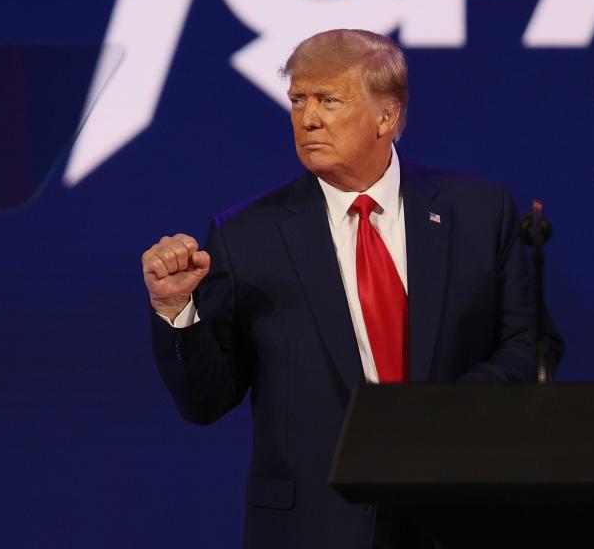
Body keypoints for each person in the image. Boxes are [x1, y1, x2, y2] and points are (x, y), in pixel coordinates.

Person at [143, 29, 563, 549]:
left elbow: (530, 345)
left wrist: (447, 410)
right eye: (297, 100)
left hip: (457, 516)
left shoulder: (479, 213)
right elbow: (206, 399)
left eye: (328, 100)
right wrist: (176, 309)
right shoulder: (246, 236)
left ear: (386, 118)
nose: (307, 118)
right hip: (312, 528)